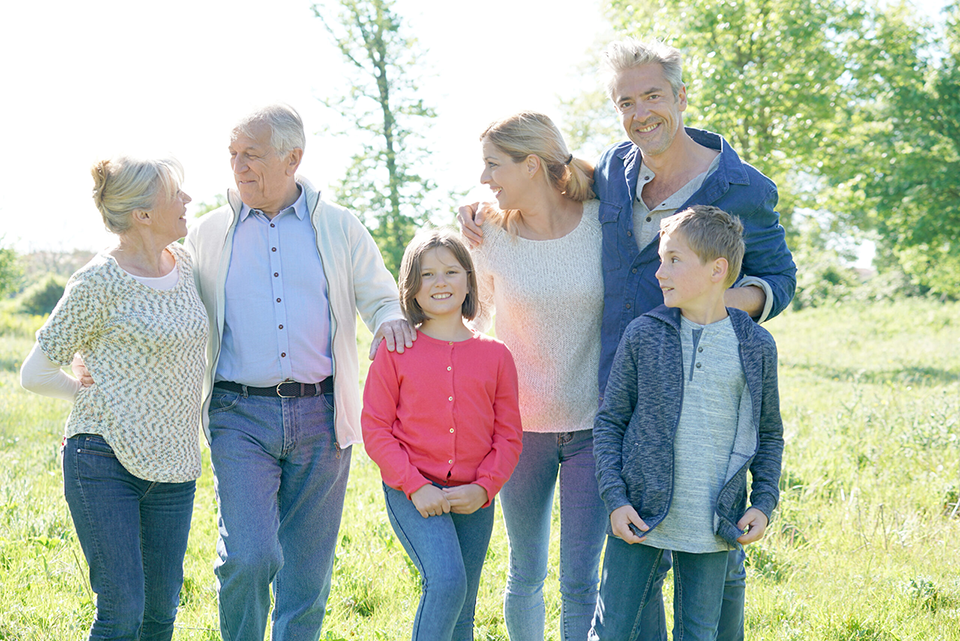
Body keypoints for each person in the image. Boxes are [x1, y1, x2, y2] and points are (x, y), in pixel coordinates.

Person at [458, 38, 796, 640]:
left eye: (653, 96)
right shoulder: (615, 170)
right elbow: (552, 193)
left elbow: (779, 279)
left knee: (708, 547)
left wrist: (714, 305)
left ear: (681, 96)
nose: (641, 112)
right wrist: (484, 199)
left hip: (702, 394)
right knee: (632, 556)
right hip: (617, 393)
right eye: (626, 101)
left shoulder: (743, 188)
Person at [183, 103, 415, 641]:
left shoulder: (338, 226)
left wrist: (389, 322)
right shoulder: (209, 233)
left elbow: (381, 298)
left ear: (293, 158)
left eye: (253, 155)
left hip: (322, 412)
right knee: (249, 556)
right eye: (233, 154)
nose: (239, 166)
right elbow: (176, 310)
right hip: (239, 412)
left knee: (307, 572)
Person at [20, 155, 206, 640]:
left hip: (174, 463)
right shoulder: (98, 281)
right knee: (122, 612)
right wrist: (81, 390)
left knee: (161, 613)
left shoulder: (185, 266)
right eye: (176, 195)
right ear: (143, 214)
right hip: (102, 459)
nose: (188, 201)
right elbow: (35, 371)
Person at [589, 205, 784, 641]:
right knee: (614, 631)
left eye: (674, 259)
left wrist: (764, 502)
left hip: (715, 526)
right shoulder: (643, 334)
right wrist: (616, 500)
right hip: (637, 516)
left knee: (699, 634)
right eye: (661, 259)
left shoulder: (755, 345)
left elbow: (769, 434)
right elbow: (610, 423)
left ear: (718, 269)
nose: (660, 272)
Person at [467, 112, 606, 641]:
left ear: (531, 165)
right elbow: (471, 321)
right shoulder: (490, 235)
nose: (484, 178)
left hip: (593, 427)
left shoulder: (602, 223)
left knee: (579, 579)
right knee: (525, 572)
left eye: (493, 165)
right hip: (517, 430)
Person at [361, 228, 523, 641]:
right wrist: (415, 486)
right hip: (413, 491)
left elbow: (508, 436)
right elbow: (376, 429)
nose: (440, 282)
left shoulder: (496, 355)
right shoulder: (396, 351)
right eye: (428, 274)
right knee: (447, 582)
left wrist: (485, 488)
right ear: (411, 288)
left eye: (451, 271)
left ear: (469, 279)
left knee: (464, 608)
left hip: (474, 497)